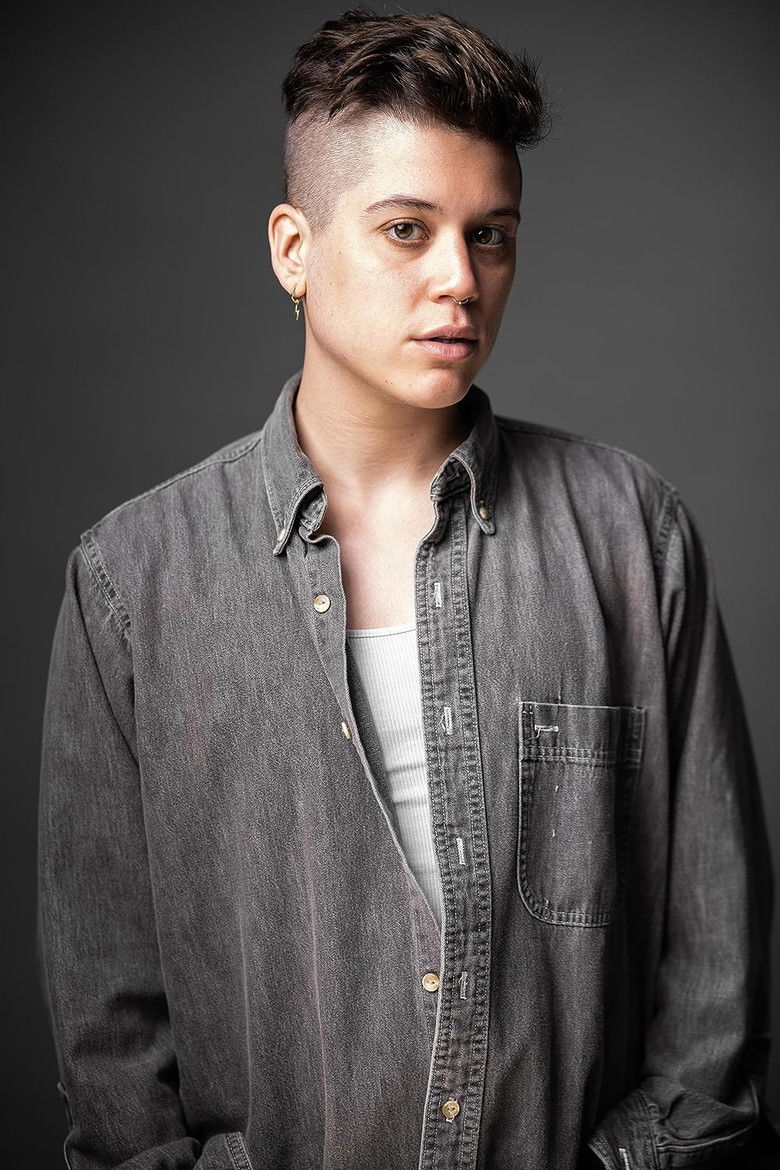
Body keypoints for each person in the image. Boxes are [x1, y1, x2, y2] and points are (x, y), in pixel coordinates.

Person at [36, 9, 775, 1170]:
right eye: (406, 230)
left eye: (491, 236)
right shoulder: (134, 579)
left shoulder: (635, 534)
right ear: (294, 249)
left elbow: (717, 974)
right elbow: (110, 1033)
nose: (460, 279)